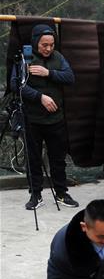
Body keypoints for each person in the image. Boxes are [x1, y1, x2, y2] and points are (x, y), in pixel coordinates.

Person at [17, 23, 78, 211]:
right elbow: (17, 85)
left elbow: (70, 77)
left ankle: (61, 193)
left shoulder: (58, 58)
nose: (48, 48)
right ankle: (35, 195)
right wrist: (40, 97)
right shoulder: (24, 59)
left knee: (58, 159)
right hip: (32, 119)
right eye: (44, 45)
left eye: (51, 44)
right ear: (35, 42)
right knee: (33, 159)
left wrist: (48, 73)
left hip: (55, 120)